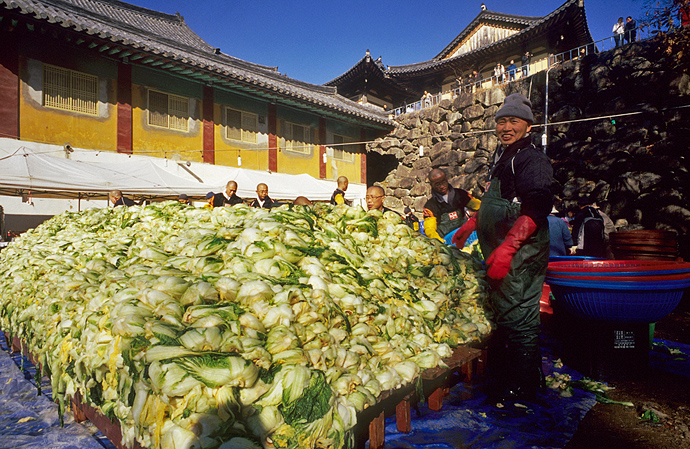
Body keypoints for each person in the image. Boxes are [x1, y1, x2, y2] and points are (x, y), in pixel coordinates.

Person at [452, 93, 554, 403]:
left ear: (528, 126)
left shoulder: (531, 158)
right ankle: (516, 377)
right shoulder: (504, 156)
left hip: (522, 252)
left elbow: (537, 206)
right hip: (502, 249)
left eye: (513, 121)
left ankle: (525, 391)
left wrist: (509, 247)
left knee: (520, 317)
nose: (506, 127)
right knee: (508, 313)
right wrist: (472, 224)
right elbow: (498, 201)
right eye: (501, 121)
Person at [423, 168, 479, 243]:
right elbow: (430, 229)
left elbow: (478, 206)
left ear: (446, 179)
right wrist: (441, 242)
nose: (442, 186)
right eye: (437, 184)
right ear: (431, 185)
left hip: (465, 235)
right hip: (445, 239)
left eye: (443, 182)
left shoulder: (461, 194)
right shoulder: (430, 206)